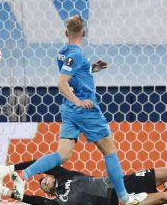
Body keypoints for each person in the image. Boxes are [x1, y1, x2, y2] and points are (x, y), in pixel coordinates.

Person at [13, 15, 143, 204]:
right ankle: (125, 197)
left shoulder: (63, 53)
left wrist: (91, 69)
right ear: (84, 33)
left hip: (69, 110)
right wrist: (78, 101)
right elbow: (62, 83)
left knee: (62, 155)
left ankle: (23, 175)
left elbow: (72, 75)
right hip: (85, 110)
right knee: (109, 151)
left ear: (66, 33)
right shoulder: (77, 55)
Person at [0, 160, 167, 205]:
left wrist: (13, 169)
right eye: (43, 186)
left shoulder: (65, 174)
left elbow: (41, 162)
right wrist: (7, 191)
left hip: (122, 182)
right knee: (163, 198)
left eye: (44, 179)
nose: (44, 183)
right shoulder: (57, 203)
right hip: (120, 202)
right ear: (48, 193)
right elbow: (31, 201)